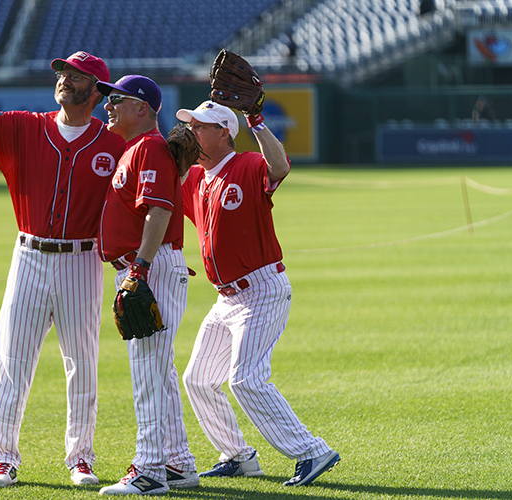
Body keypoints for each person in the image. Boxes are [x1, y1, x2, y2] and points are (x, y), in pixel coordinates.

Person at [0, 51, 126, 488]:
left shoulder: (115, 146)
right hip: (29, 256)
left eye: (76, 76)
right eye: (63, 72)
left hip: (83, 259)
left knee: (83, 363)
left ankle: (81, 458)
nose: (65, 80)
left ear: (95, 91)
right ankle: (3, 457)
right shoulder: (25, 127)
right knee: (12, 360)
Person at [177, 101, 341, 487]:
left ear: (224, 133)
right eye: (192, 125)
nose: (193, 132)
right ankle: (237, 456)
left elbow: (280, 167)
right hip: (226, 298)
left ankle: (312, 450)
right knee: (198, 378)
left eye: (200, 127)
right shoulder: (197, 179)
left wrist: (258, 122)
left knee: (245, 379)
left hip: (261, 289)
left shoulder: (246, 165)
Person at [94, 75, 198, 496]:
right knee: (160, 372)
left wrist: (139, 268)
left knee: (149, 374)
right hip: (147, 266)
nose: (108, 106)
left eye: (116, 99)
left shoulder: (149, 147)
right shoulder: (135, 149)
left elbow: (158, 212)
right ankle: (178, 464)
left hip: (150, 266)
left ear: (143, 107)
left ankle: (150, 471)